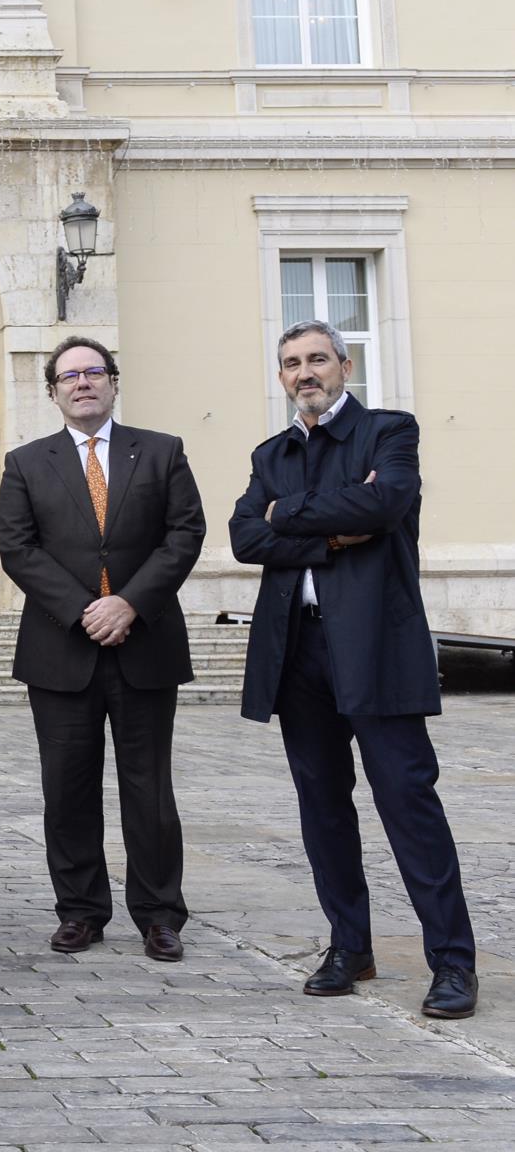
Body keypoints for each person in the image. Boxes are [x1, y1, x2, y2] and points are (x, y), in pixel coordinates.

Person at [228, 318, 477, 1019]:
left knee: (407, 802)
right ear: (280, 377)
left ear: (343, 364)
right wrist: (331, 534)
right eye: (289, 364)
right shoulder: (269, 452)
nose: (303, 372)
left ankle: (452, 963)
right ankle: (349, 946)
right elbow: (245, 537)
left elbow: (385, 501)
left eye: (315, 359)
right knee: (322, 806)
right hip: (297, 650)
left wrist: (288, 517)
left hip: (375, 645)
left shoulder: (389, 432)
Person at [0, 336, 205, 961]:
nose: (82, 383)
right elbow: (18, 547)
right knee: (67, 789)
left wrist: (130, 604)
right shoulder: (26, 462)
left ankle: (160, 914)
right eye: (68, 376)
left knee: (150, 790)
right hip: (63, 649)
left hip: (145, 645)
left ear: (114, 382)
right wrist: (87, 609)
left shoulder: (163, 452)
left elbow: (183, 533)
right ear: (53, 391)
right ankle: (81, 911)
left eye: (93, 372)